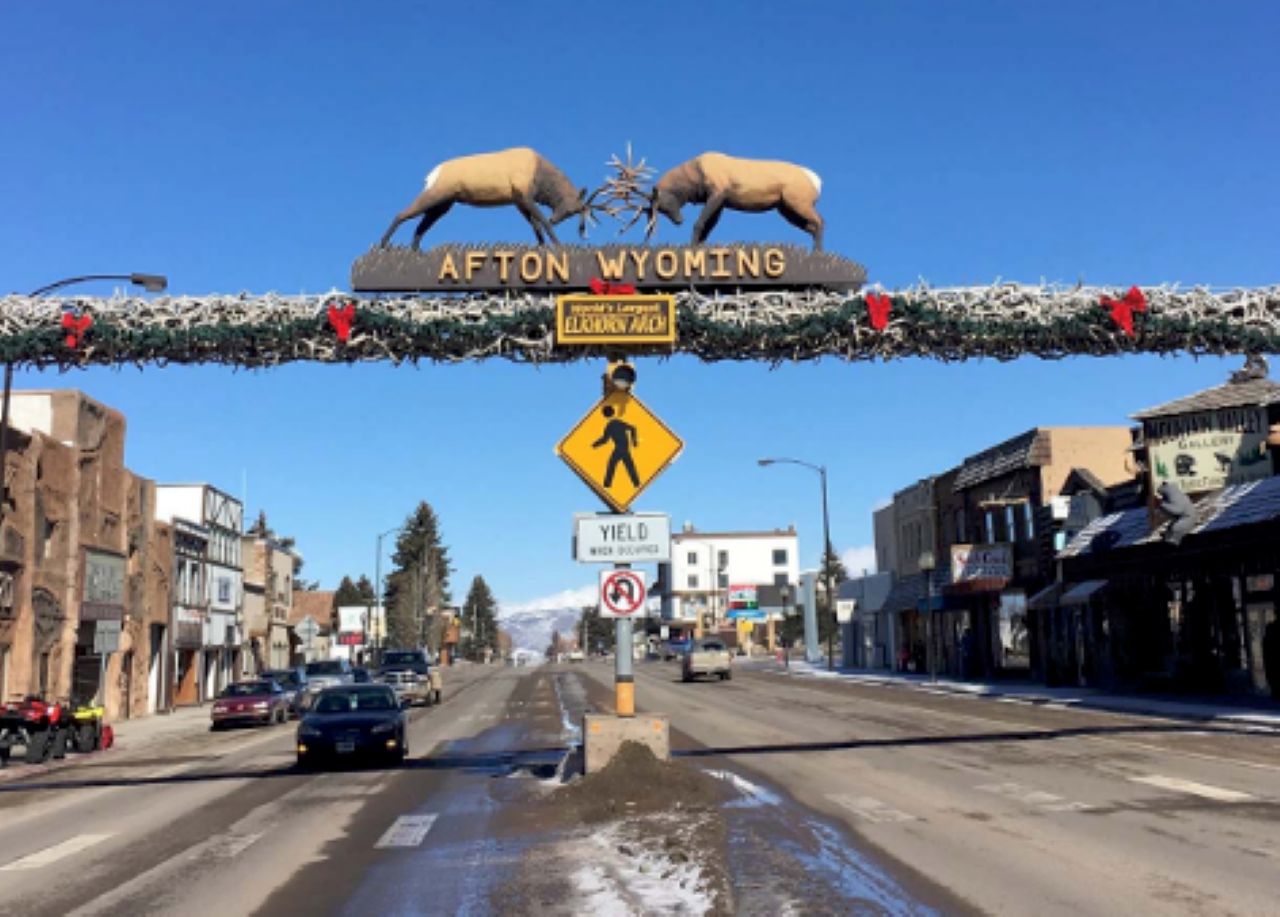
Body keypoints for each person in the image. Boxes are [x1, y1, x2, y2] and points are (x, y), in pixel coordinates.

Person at [1263, 618, 1280, 700]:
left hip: (1272, 663)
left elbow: (1266, 654)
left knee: (1274, 680)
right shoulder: (1268, 639)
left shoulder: (1267, 639)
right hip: (1273, 663)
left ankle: (1275, 694)